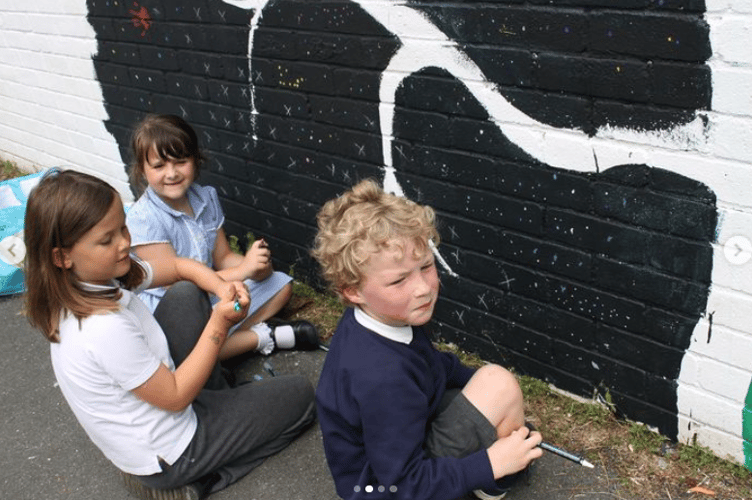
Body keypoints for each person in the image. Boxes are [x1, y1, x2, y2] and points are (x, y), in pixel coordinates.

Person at [24, 169, 316, 500]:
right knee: (302, 397)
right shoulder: (101, 327)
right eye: (107, 240)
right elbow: (176, 397)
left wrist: (220, 286)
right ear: (61, 257)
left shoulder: (90, 279)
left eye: (123, 227)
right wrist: (218, 325)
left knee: (185, 294)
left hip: (158, 413)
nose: (124, 243)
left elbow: (177, 267)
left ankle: (220, 402)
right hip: (171, 451)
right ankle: (202, 480)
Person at [311, 179, 543, 500]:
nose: (422, 288)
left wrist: (476, 386)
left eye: (426, 266)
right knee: (502, 395)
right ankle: (492, 483)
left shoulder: (381, 315)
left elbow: (433, 365)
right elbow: (403, 484)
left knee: (496, 388)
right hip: (386, 489)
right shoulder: (381, 378)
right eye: (399, 280)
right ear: (352, 291)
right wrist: (490, 464)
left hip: (397, 449)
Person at [125, 114, 318, 361]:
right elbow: (177, 288)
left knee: (279, 284)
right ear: (142, 169)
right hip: (174, 312)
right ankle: (260, 337)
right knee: (183, 350)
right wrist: (243, 271)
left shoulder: (205, 198)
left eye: (180, 161)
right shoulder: (144, 218)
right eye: (159, 166)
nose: (171, 173)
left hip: (216, 292)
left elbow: (224, 257)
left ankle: (221, 343)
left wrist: (255, 268)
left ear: (195, 160)